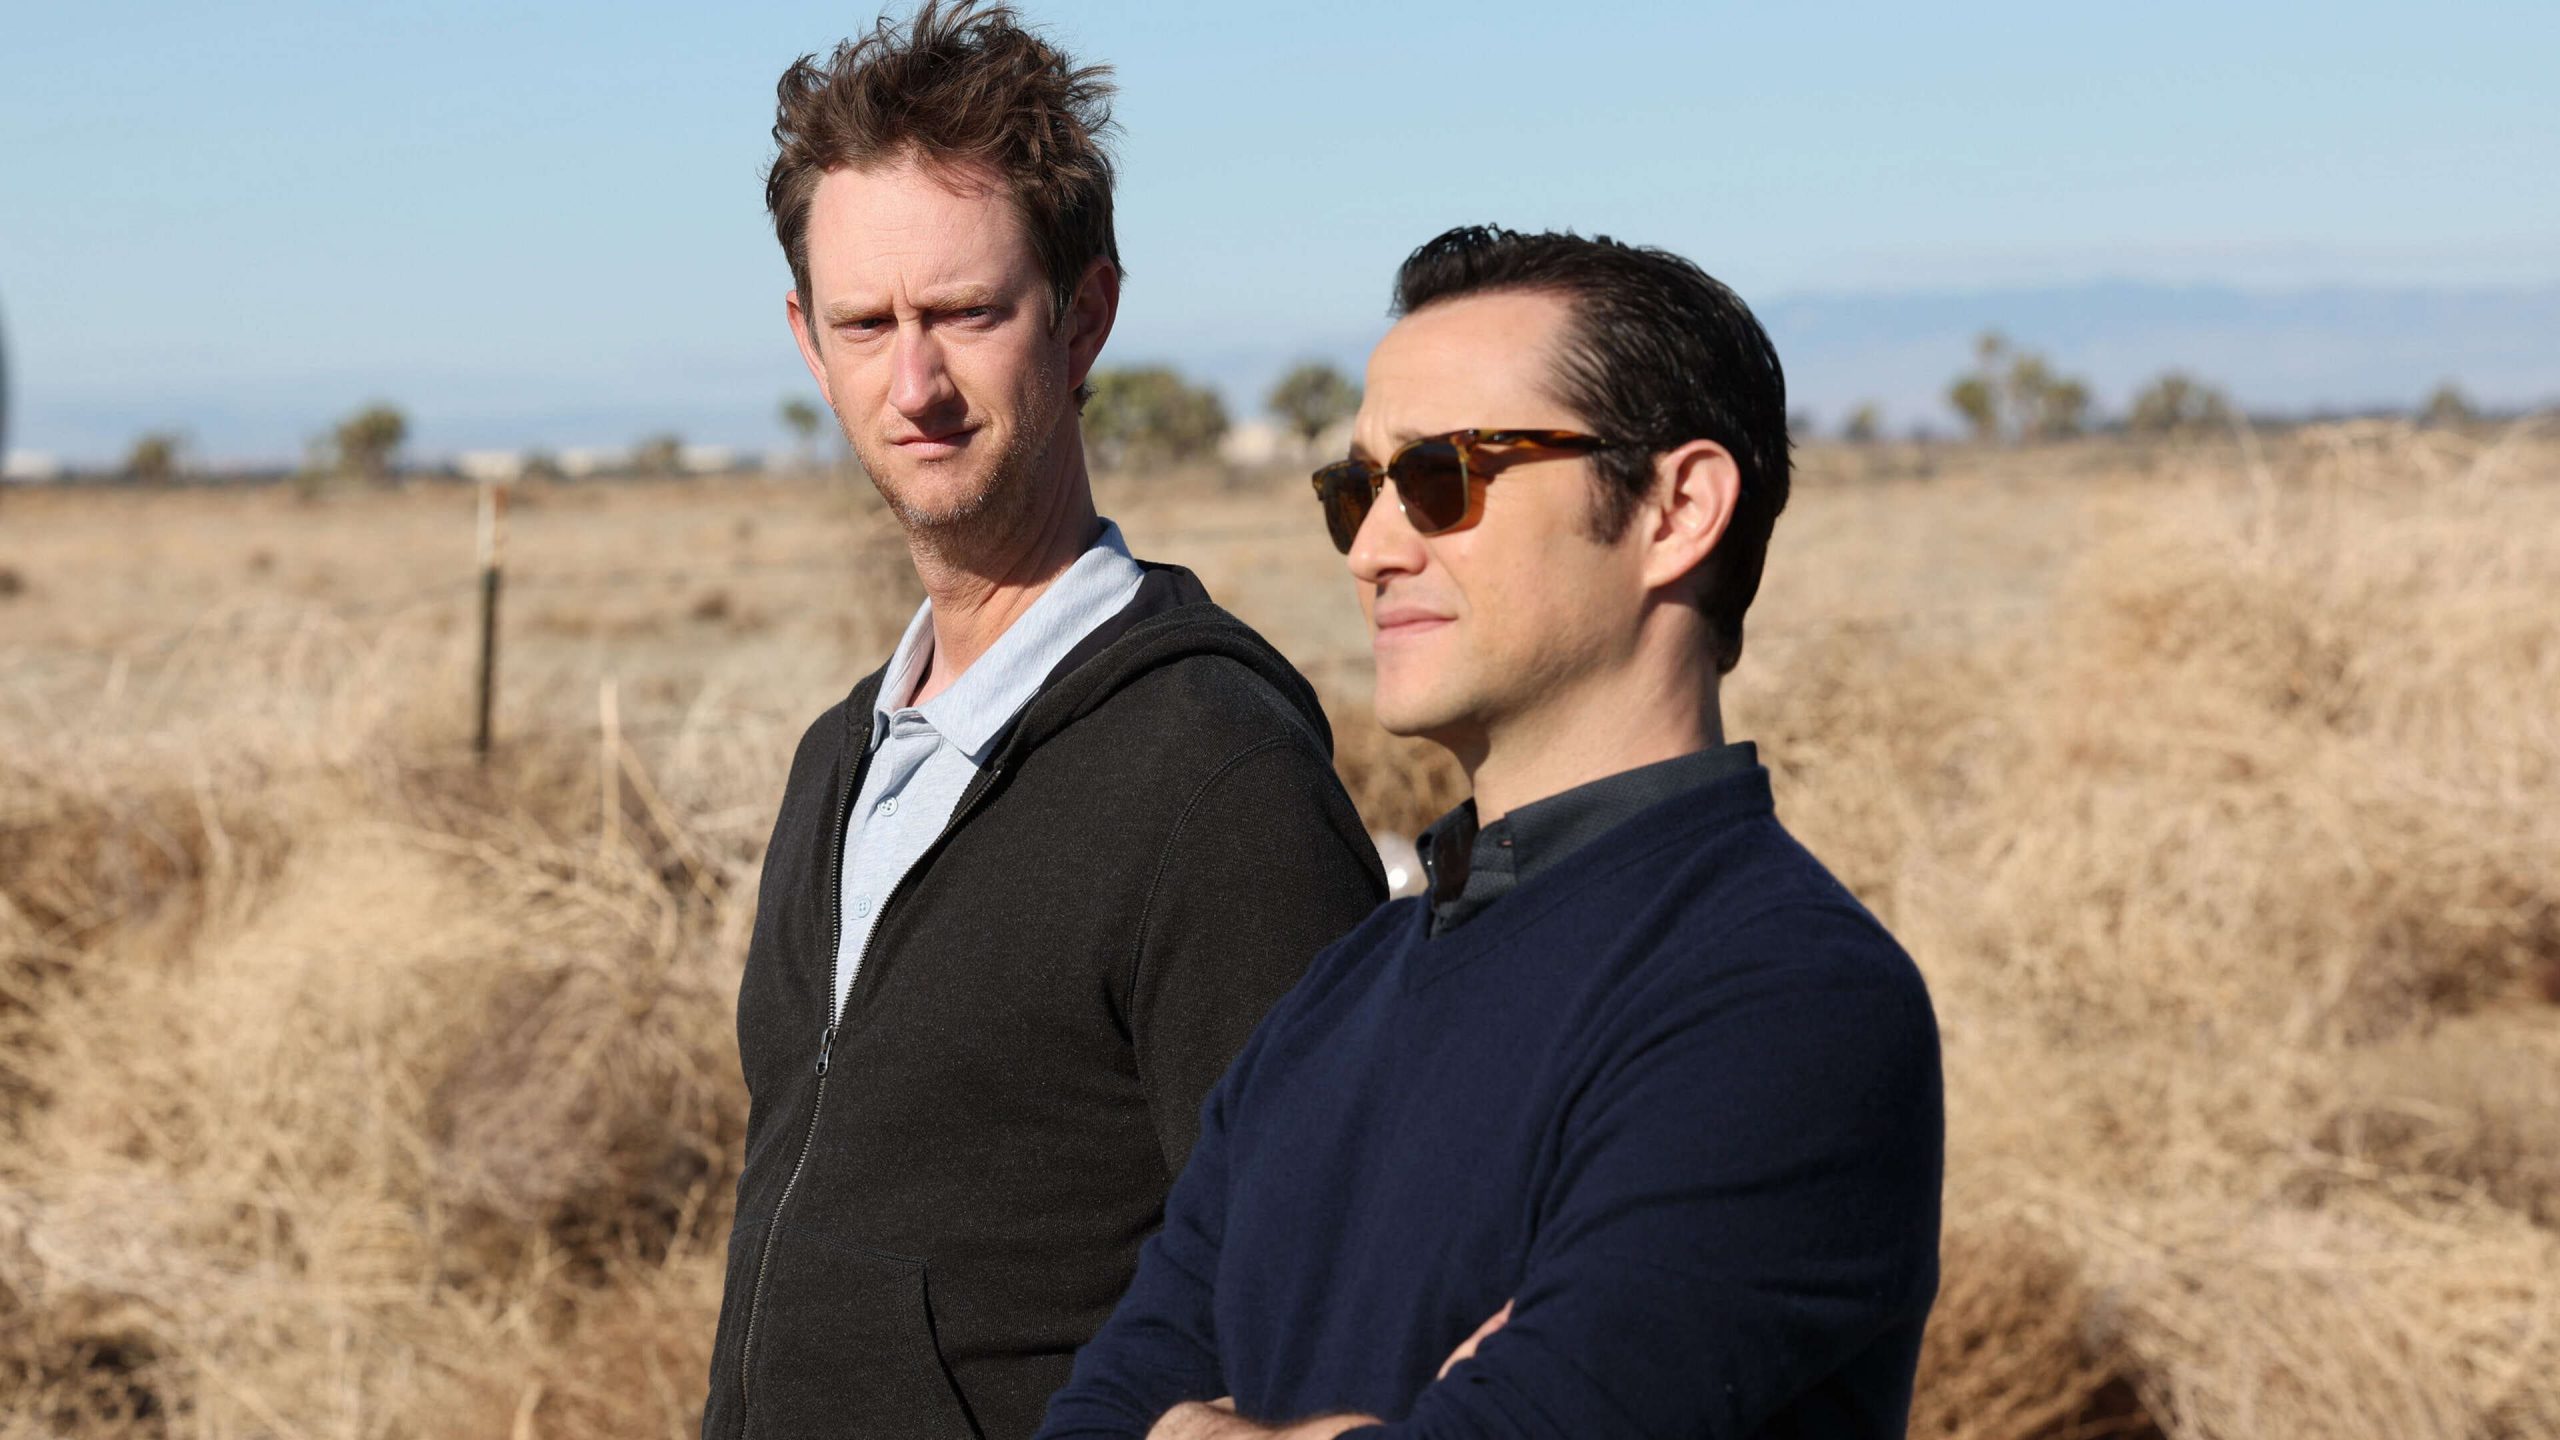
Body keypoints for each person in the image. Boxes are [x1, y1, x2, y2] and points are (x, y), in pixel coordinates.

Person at [1036, 226, 1944, 1440]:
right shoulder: (1339, 992)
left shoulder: (1785, 1001)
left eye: (1441, 477)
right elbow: (1103, 1407)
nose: (1372, 549)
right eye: (1353, 492)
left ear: (1675, 509)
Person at [698, 7, 1385, 1438]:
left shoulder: (1219, 778)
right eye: (866, 325)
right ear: (806, 342)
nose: (915, 386)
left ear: (1083, 319)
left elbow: (1321, 1317)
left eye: (967, 314)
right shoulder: (843, 758)